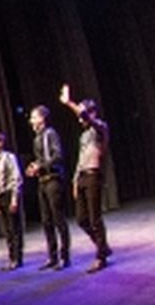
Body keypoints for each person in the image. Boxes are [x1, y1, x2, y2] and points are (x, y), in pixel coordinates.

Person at [61, 84, 113, 272]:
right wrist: (75, 180)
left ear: (92, 113)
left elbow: (86, 118)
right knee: (81, 219)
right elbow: (81, 158)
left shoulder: (101, 127)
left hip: (93, 176)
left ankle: (101, 257)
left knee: (95, 218)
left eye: (83, 113)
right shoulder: (83, 135)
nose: (79, 118)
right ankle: (104, 247)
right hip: (82, 177)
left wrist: (69, 103)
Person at [27, 106, 70, 270]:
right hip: (42, 181)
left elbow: (58, 156)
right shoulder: (36, 138)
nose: (31, 120)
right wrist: (34, 167)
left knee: (58, 219)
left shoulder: (50, 133)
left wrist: (42, 166)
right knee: (46, 221)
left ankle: (64, 257)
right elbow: (41, 159)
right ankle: (52, 257)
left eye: (33, 117)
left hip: (53, 180)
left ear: (42, 118)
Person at [0, 132, 23, 270]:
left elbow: (16, 178)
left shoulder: (9, 157)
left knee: (14, 228)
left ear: (1, 143)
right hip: (1, 196)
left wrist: (14, 199)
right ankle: (11, 258)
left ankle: (17, 258)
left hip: (10, 194)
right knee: (7, 230)